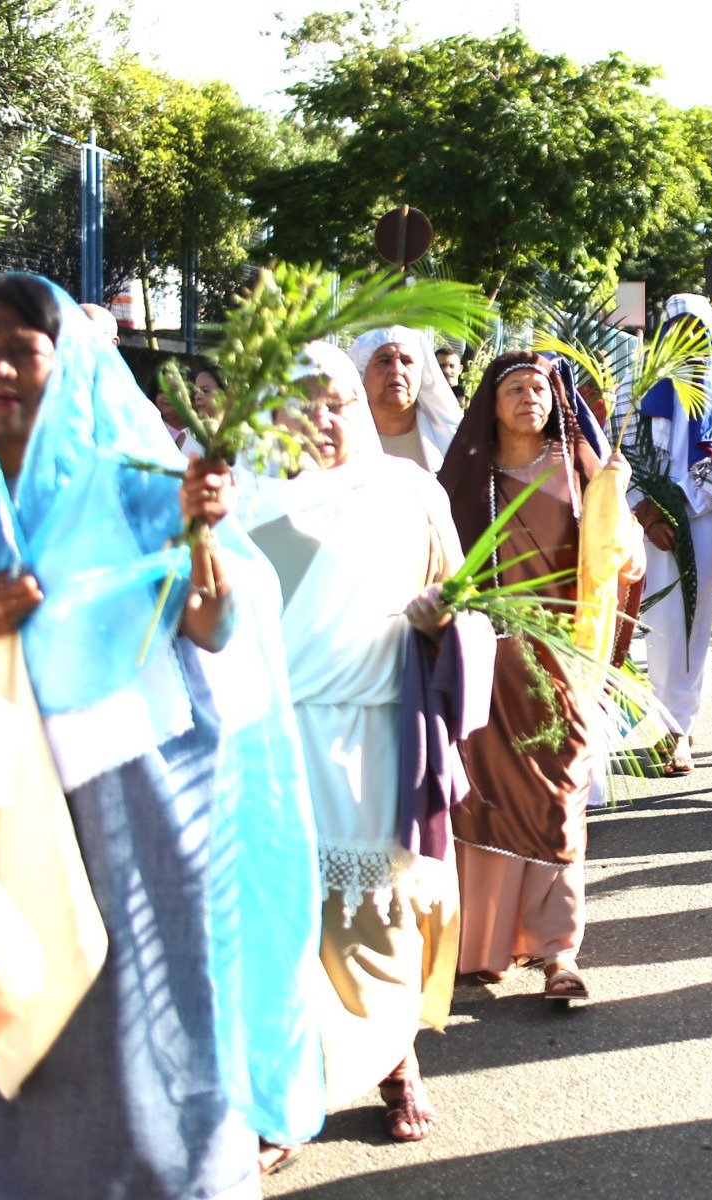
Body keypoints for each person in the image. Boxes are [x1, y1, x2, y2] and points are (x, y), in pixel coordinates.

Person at [0, 273, 324, 1196]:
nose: (1, 370)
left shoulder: (131, 480)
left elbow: (215, 625)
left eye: (21, 347)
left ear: (69, 362)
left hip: (130, 809)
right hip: (0, 820)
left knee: (147, 1036)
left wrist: (203, 535)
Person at [247, 340, 487, 1145]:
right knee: (283, 923)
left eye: (337, 401)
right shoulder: (246, 504)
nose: (321, 419)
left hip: (376, 733)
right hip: (272, 740)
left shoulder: (410, 491)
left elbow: (466, 604)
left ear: (362, 406)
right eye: (301, 402)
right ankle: (287, 1102)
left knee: (377, 919)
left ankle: (396, 1061)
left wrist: (440, 619)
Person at [436, 350, 608, 999]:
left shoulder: (580, 470)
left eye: (539, 387)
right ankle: (485, 945)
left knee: (560, 798)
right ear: (491, 401)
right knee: (483, 802)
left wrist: (611, 500)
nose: (528, 397)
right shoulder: (464, 477)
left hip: (560, 663)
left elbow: (611, 567)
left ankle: (558, 950)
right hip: (485, 661)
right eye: (514, 387)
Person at [612, 294, 712, 775]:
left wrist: (706, 493)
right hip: (653, 517)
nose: (687, 336)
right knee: (661, 622)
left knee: (694, 620)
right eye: (678, 325)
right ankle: (671, 716)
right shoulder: (638, 379)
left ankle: (679, 729)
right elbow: (619, 452)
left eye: (697, 327)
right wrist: (645, 509)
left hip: (706, 515)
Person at [348, 325, 462, 470]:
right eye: (384, 361)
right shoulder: (338, 439)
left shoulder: (453, 441)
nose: (397, 370)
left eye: (406, 361)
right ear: (362, 373)